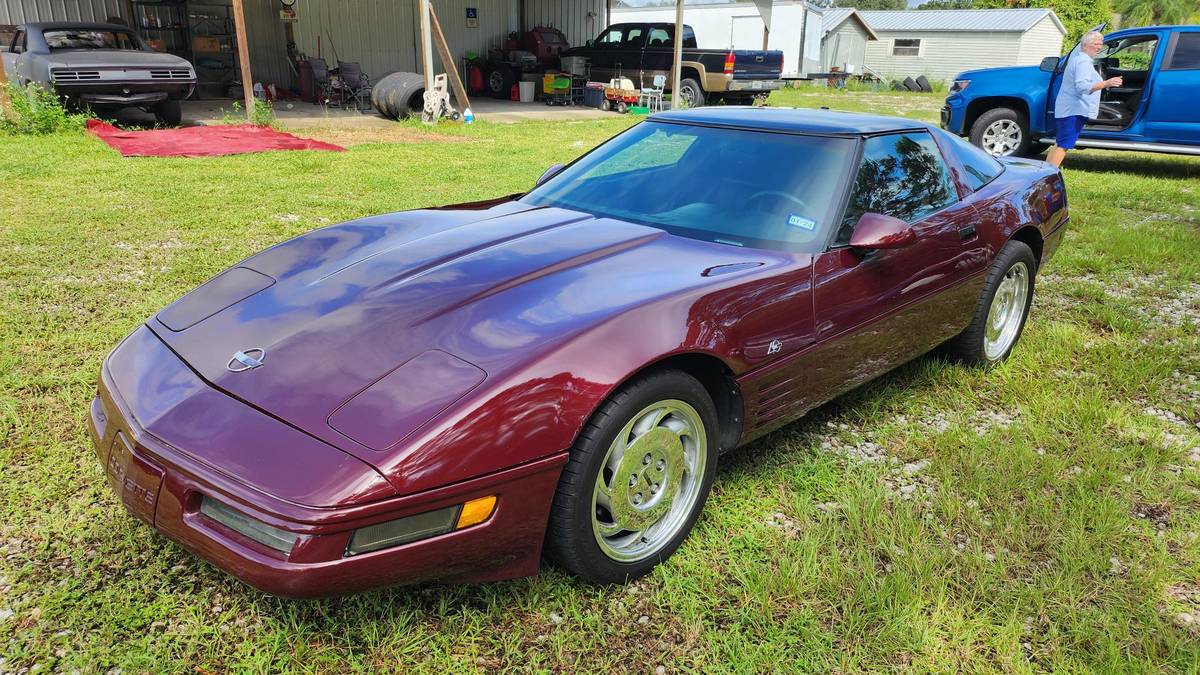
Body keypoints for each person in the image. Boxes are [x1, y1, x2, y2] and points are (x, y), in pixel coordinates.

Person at [1048, 31, 1123, 167]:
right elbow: (1083, 87)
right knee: (1063, 145)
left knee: (1059, 143)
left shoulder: (1079, 59)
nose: (1099, 47)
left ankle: (1044, 175)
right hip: (1073, 110)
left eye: (1101, 44)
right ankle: (1048, 178)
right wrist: (1107, 83)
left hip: (1069, 108)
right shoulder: (1083, 62)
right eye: (1096, 44)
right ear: (1085, 45)